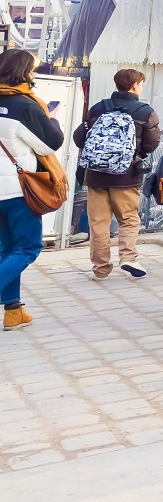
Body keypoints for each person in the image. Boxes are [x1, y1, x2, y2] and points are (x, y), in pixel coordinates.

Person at [76, 67, 161, 280]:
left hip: (95, 175)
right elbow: (152, 145)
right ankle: (128, 258)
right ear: (135, 86)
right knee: (129, 219)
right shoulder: (145, 112)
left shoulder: (98, 108)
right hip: (126, 175)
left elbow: (80, 138)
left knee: (99, 223)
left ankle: (101, 268)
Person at [0, 89, 59, 331]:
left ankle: (14, 312)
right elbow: (48, 145)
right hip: (17, 192)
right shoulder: (22, 106)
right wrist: (52, 120)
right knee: (27, 248)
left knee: (7, 250)